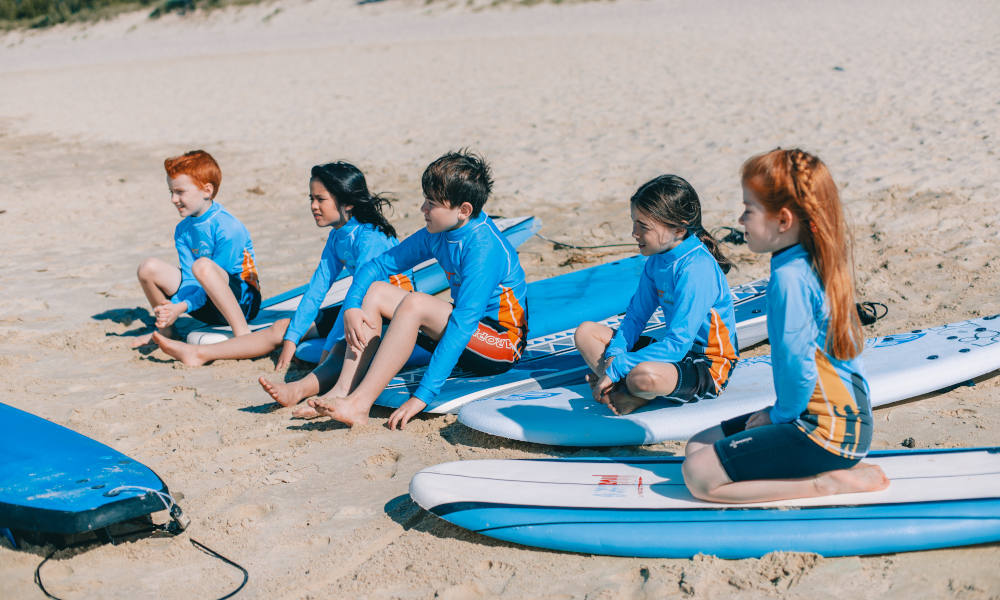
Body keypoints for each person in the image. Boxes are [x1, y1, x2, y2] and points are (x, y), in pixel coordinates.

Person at [682, 148, 890, 503]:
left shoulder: (790, 279)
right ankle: (836, 467)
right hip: (844, 425)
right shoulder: (811, 259)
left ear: (783, 221)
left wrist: (777, 415)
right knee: (697, 446)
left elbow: (799, 368)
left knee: (698, 475)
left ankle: (827, 484)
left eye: (749, 209)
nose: (740, 219)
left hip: (823, 432)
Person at [299, 150, 528, 429]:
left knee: (416, 303)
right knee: (377, 291)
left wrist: (423, 395)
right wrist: (352, 306)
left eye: (432, 203)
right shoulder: (440, 233)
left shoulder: (483, 249)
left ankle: (359, 406)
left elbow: (462, 325)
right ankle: (341, 393)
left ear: (463, 210)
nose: (423, 209)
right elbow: (377, 266)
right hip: (466, 330)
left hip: (500, 344)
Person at [155, 162, 412, 378]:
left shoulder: (370, 239)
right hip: (361, 310)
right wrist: (292, 339)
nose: (313, 205)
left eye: (320, 199)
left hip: (391, 318)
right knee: (282, 328)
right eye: (311, 198)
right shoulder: (338, 237)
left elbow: (355, 299)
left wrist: (328, 350)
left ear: (347, 202)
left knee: (325, 349)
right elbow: (316, 290)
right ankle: (198, 353)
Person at [574, 174, 739, 416]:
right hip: (671, 354)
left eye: (643, 226)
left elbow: (677, 345)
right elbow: (634, 319)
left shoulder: (696, 269)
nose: (634, 233)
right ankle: (623, 391)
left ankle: (630, 392)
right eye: (634, 223)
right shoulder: (657, 262)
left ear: (679, 229)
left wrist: (618, 366)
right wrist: (615, 354)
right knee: (586, 333)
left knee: (644, 376)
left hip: (707, 364)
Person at [133, 150, 261, 348]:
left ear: (207, 190)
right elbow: (190, 279)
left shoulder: (228, 227)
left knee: (203, 266)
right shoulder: (183, 230)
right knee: (148, 268)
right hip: (205, 303)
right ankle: (167, 331)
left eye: (180, 192)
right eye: (171, 192)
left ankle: (243, 336)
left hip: (242, 304)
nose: (173, 199)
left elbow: (216, 276)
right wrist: (174, 306)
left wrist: (182, 306)